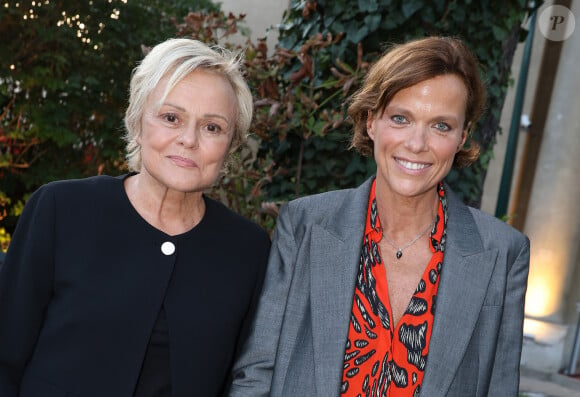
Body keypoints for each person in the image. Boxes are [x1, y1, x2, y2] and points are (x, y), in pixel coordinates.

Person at [228, 36, 530, 397]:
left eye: (441, 126)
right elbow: (257, 373)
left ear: (463, 136)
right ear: (371, 121)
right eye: (401, 118)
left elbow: (499, 388)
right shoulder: (305, 225)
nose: (417, 144)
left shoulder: (502, 252)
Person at [0, 38, 271, 396]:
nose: (189, 140)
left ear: (231, 145)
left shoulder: (248, 250)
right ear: (138, 122)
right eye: (171, 117)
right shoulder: (61, 209)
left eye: (212, 127)